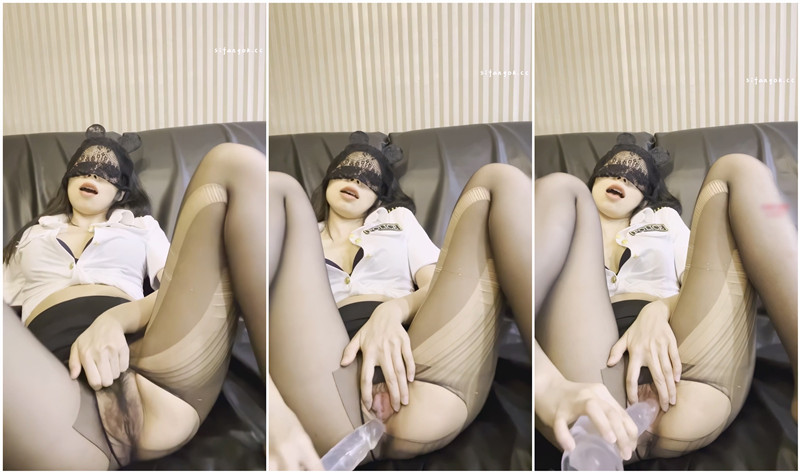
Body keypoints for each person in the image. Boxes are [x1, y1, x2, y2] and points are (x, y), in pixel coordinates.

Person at [3, 124, 266, 469]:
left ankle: (279, 407)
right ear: (68, 180)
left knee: (234, 161)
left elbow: (176, 291)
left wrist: (113, 320)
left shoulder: (141, 228)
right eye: (83, 168)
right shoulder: (31, 237)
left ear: (120, 193)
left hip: (152, 376)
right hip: (58, 395)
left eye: (106, 173)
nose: (92, 175)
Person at [268, 132, 532, 469]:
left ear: (379, 195)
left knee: (499, 179)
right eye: (347, 171)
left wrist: (391, 312)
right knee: (275, 187)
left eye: (368, 178)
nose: (355, 181)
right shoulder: (298, 234)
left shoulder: (397, 222)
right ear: (329, 179)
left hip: (419, 364)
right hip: (328, 383)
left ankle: (547, 382)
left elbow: (437, 286)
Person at [534, 133, 797, 462]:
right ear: (595, 179)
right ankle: (543, 384)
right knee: (559, 186)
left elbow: (700, 282)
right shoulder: (563, 219)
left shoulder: (664, 221)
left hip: (685, 367)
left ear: (645, 195)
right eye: (613, 170)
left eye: (634, 177)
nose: (621, 179)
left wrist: (657, 312)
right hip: (590, 376)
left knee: (740, 168)